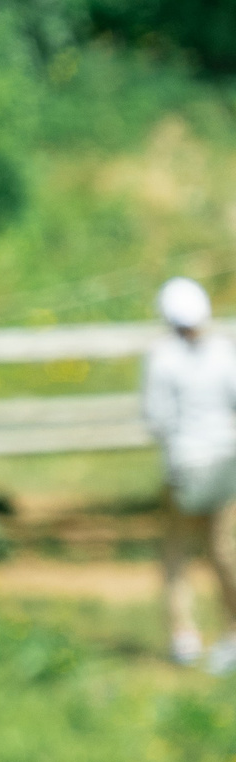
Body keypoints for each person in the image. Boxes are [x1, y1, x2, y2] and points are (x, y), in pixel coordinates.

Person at [141, 275, 236, 670]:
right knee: (224, 550)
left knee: (176, 553)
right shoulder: (224, 351)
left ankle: (184, 634)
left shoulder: (163, 357)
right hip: (227, 460)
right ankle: (232, 631)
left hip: (185, 464)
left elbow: (157, 418)